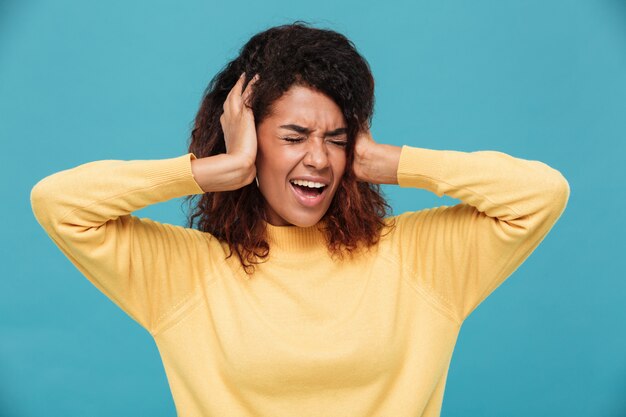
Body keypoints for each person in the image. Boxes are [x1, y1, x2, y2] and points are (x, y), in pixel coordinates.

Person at [30, 21, 569, 417]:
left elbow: (541, 194)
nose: (318, 159)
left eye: (335, 140)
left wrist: (390, 163)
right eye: (293, 138)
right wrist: (221, 167)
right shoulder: (186, 273)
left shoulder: (418, 259)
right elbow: (59, 203)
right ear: (250, 140)